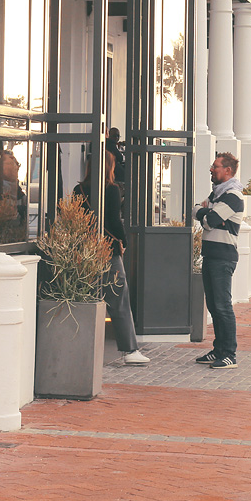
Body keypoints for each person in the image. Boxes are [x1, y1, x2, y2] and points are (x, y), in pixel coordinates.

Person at [75, 151, 149, 366]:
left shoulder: (78, 190)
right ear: (110, 167)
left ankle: (83, 346)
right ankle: (130, 350)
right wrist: (123, 242)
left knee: (86, 297)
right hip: (108, 250)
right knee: (118, 298)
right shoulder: (112, 189)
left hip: (85, 250)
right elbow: (115, 221)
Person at [193, 152, 243, 369]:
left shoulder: (232, 196)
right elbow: (196, 209)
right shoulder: (217, 195)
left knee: (223, 306)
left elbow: (210, 220)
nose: (211, 170)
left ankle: (229, 354)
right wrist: (207, 213)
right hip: (211, 255)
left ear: (227, 171)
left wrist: (207, 214)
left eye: (215, 167)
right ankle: (219, 350)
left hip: (223, 258)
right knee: (213, 306)